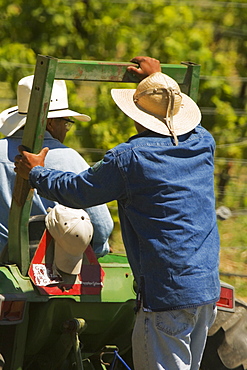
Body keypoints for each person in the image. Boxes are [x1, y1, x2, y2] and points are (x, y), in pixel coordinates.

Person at [14, 56, 220, 370]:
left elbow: (79, 191)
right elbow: (179, 118)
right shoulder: (203, 142)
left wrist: (37, 173)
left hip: (165, 293)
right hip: (205, 289)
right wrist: (160, 82)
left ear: (135, 115)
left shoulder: (130, 158)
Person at [0, 75, 113, 257]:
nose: (66, 131)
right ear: (51, 123)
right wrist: (99, 249)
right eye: (66, 124)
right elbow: (102, 226)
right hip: (57, 264)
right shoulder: (69, 159)